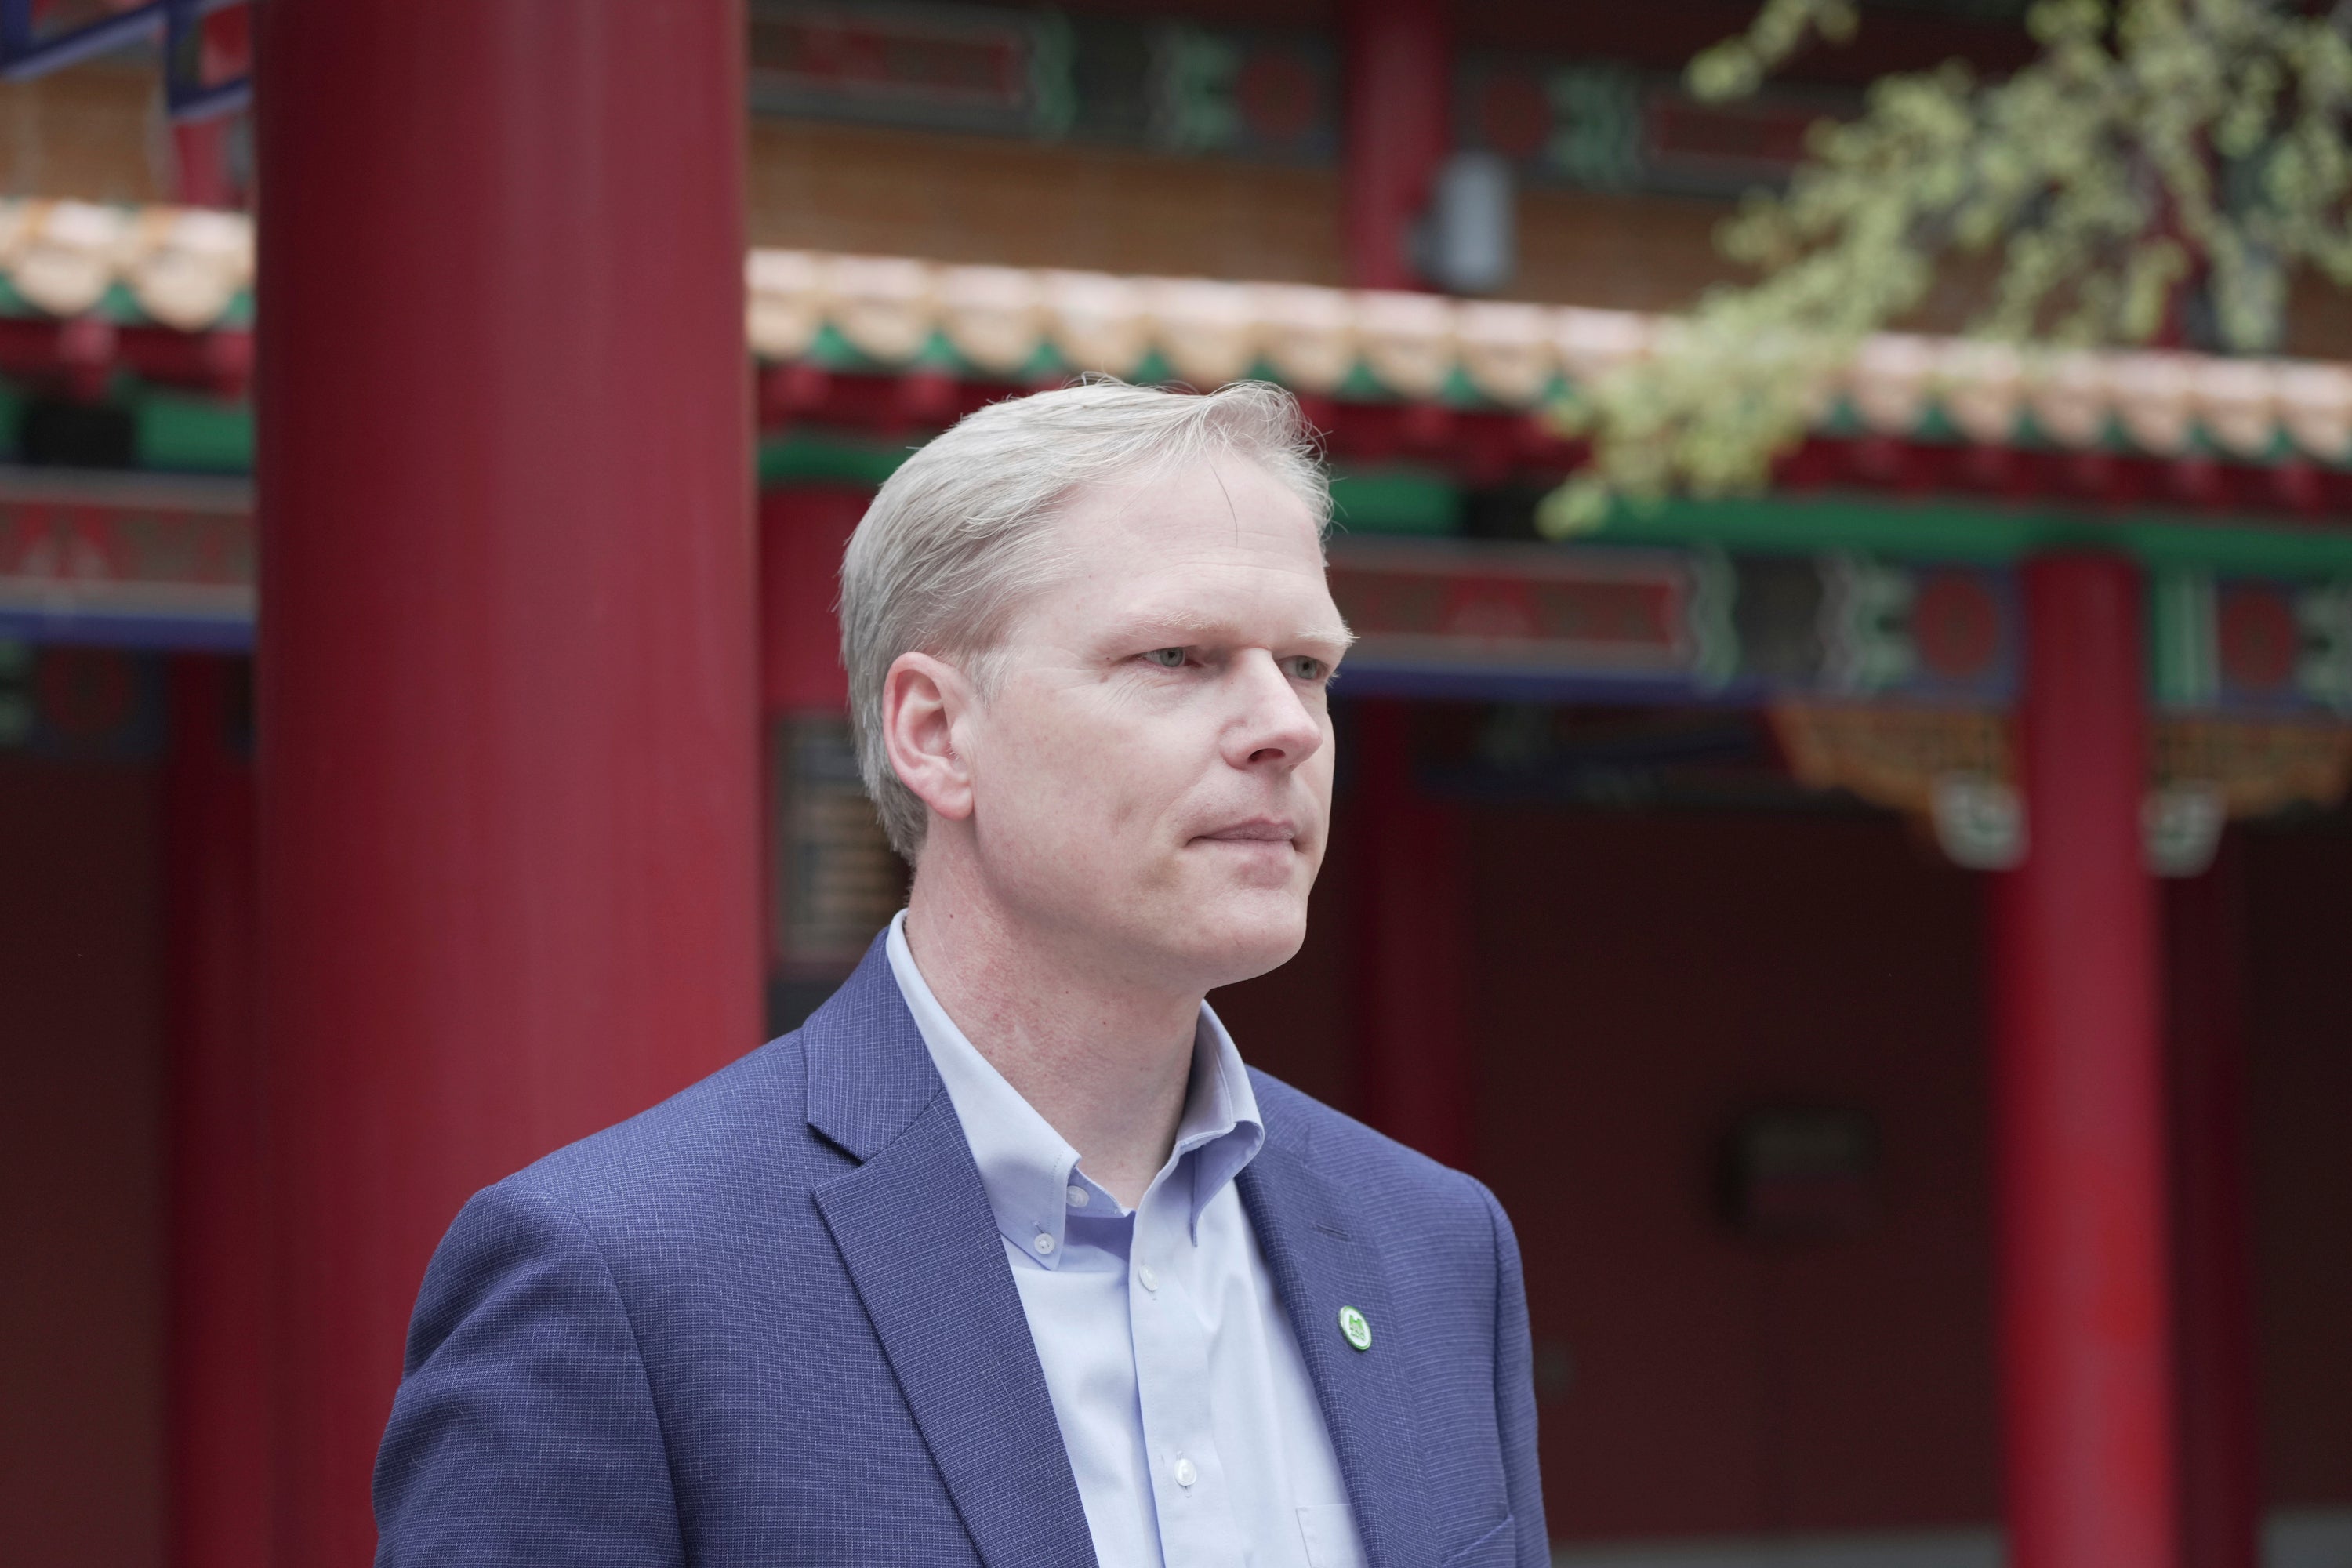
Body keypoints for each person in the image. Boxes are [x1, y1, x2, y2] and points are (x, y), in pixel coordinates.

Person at [373, 379, 1546, 1568]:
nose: (1284, 726)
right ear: (935, 732)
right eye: (1177, 656)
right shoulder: (619, 1274)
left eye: (1305, 665)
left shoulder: (1436, 1247)